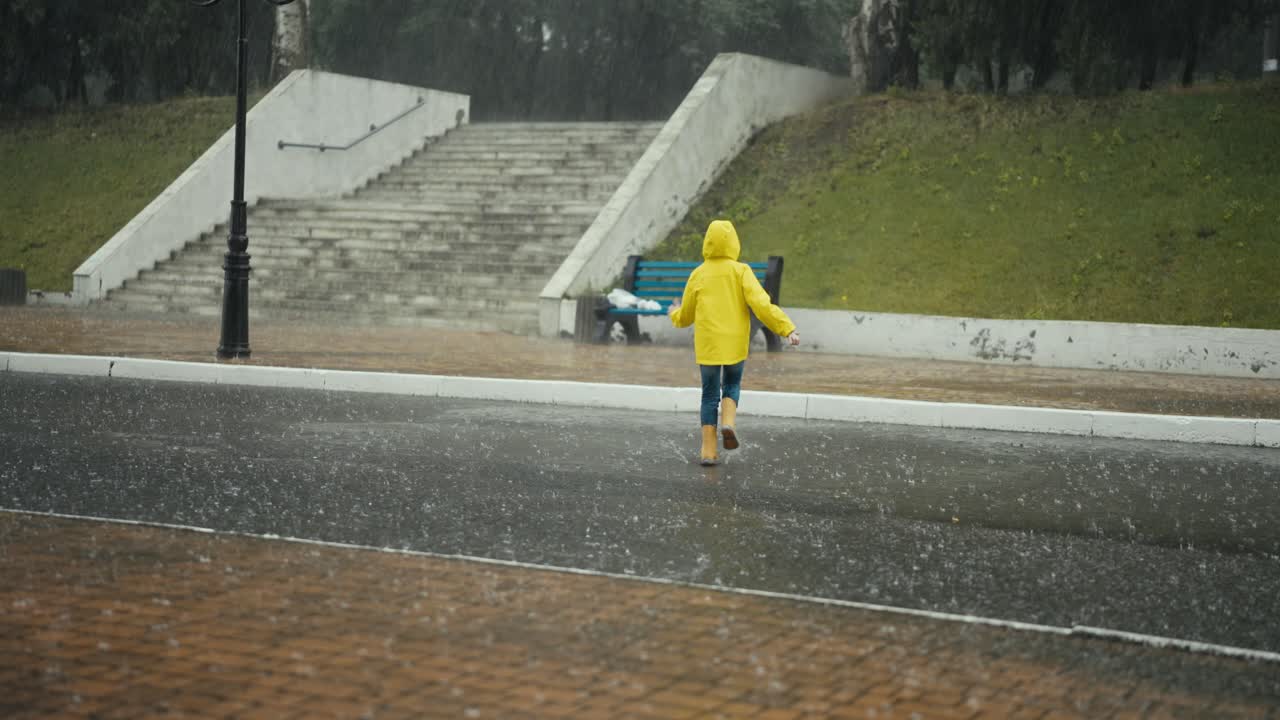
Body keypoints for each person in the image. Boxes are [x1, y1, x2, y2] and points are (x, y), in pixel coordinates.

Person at [668, 219, 800, 465]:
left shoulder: (698, 274)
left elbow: (685, 316)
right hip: (735, 344)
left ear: (708, 242)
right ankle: (728, 423)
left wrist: (673, 312)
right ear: (733, 243)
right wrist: (787, 328)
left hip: (708, 346)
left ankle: (708, 451)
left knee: (709, 395)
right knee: (731, 384)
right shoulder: (741, 271)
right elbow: (762, 304)